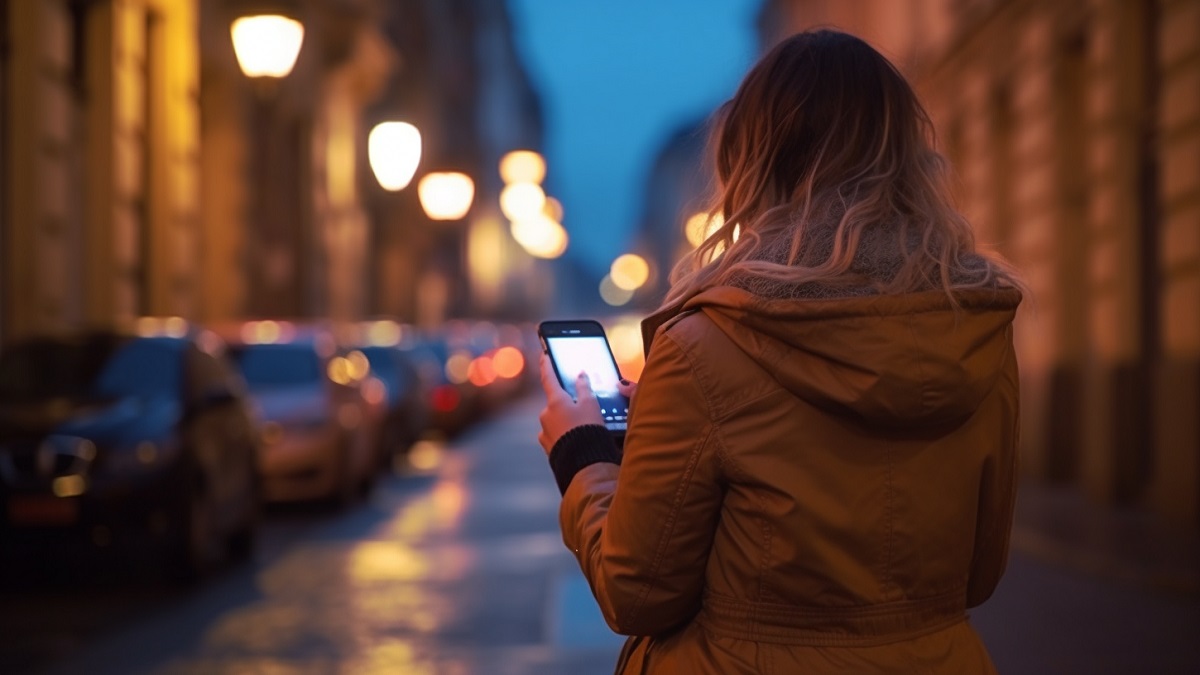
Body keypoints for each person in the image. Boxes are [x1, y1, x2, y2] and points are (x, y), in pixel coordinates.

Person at [538, 29, 1024, 674]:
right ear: (909, 156)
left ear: (753, 161)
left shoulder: (706, 347)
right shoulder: (973, 328)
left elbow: (639, 592)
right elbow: (980, 574)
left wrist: (586, 457)